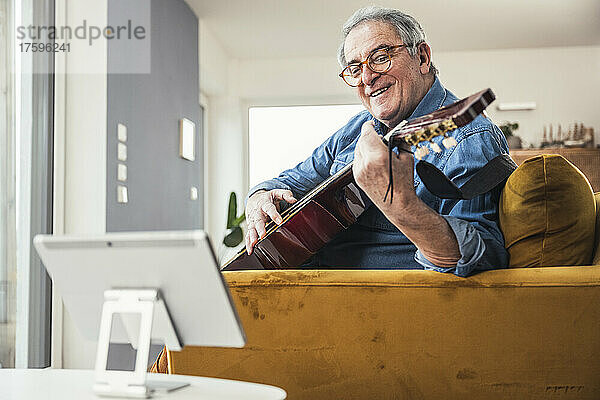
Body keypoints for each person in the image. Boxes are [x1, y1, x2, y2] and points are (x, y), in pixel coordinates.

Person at [243, 6, 510, 277]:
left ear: (422, 57)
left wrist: (401, 205)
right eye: (355, 69)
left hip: (380, 307)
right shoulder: (359, 126)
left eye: (380, 57)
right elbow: (292, 180)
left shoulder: (469, 138)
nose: (368, 78)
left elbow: (484, 261)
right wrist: (260, 195)